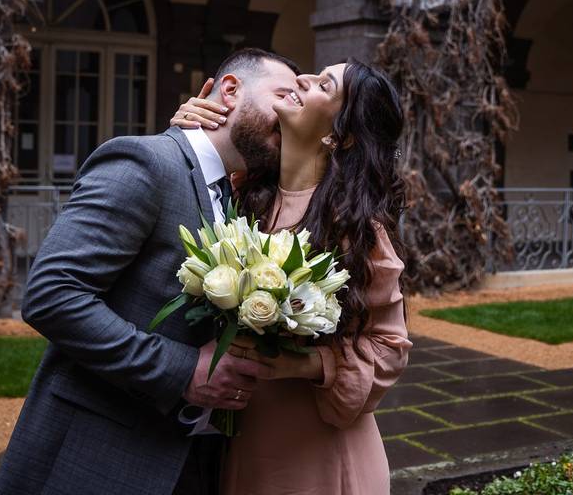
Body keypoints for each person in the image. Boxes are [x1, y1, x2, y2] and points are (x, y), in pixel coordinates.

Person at [0, 49, 299, 495]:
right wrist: (183, 372)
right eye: (285, 96)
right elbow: (52, 295)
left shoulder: (236, 196)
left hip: (188, 458)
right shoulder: (147, 162)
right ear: (230, 91)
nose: (293, 114)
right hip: (100, 452)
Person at [174, 58, 412, 494]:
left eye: (323, 84)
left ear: (336, 135)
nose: (302, 79)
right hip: (243, 438)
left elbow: (390, 348)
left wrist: (302, 364)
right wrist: (187, 135)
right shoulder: (242, 193)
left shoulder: (354, 228)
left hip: (317, 449)